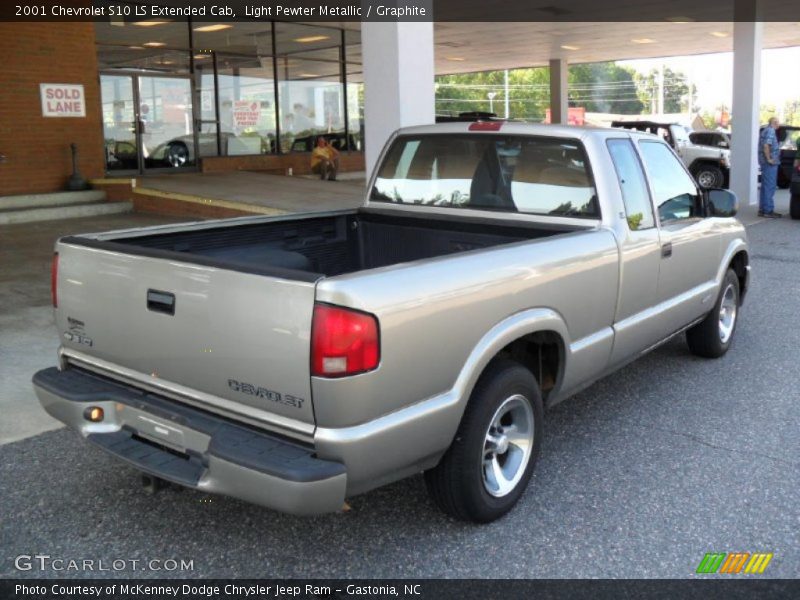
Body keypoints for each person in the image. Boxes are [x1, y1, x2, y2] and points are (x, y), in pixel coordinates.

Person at [759, 116, 782, 218]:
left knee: (765, 187)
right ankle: (768, 210)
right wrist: (769, 159)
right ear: (774, 122)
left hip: (765, 163)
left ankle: (763, 209)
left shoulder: (765, 130)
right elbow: (766, 146)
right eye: (778, 122)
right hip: (770, 163)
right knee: (770, 187)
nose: (779, 124)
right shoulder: (771, 131)